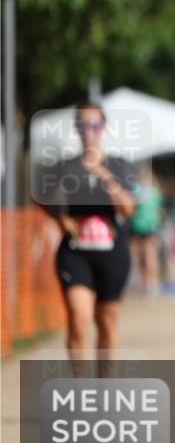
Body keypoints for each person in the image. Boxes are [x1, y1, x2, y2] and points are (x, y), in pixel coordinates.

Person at [35, 101, 137, 371]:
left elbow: (128, 209)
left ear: (103, 128)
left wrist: (102, 175)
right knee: (79, 319)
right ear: (76, 128)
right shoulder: (64, 166)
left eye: (93, 125)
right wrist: (60, 217)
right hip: (76, 252)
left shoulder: (119, 165)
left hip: (112, 252)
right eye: (82, 125)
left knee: (106, 321)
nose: (88, 131)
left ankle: (102, 389)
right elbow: (40, 198)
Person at [129, 168, 164, 295]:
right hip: (151, 226)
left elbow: (131, 207)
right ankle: (152, 282)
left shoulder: (136, 190)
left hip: (137, 225)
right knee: (150, 254)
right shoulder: (155, 192)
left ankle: (140, 281)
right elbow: (158, 210)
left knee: (138, 255)